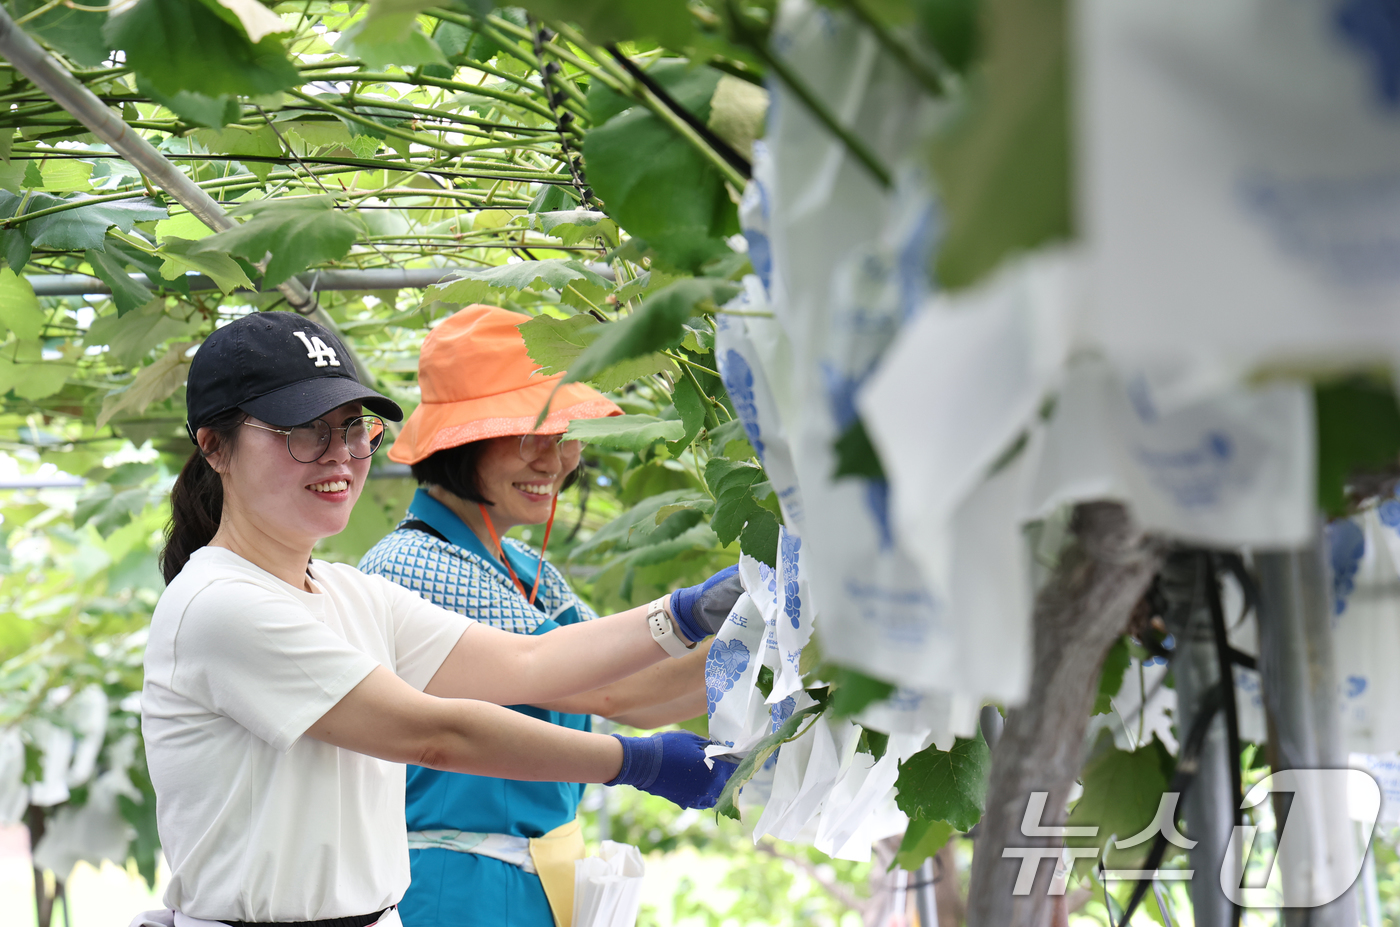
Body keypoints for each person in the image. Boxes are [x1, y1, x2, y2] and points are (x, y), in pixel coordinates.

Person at [135, 311, 738, 927]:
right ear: (214, 446)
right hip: (459, 891)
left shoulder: (352, 592)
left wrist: (694, 609)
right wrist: (636, 762)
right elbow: (436, 736)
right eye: (304, 432)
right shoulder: (222, 604)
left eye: (352, 430)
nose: (339, 455)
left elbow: (530, 663)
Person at [359, 305, 738, 927]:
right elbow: (604, 686)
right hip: (456, 891)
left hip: (529, 882)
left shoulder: (522, 567)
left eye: (564, 435)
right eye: (528, 434)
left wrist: (775, 641)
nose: (554, 460)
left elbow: (634, 696)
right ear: (462, 440)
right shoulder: (416, 563)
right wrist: (697, 615)